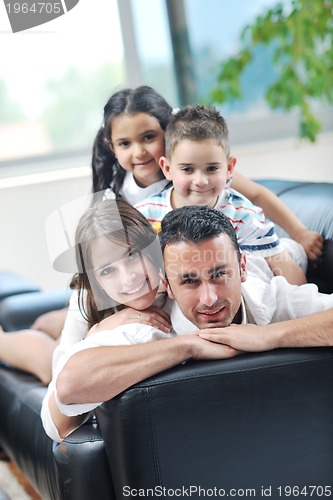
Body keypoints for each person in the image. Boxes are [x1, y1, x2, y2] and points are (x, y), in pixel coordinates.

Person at [42, 204, 333, 443]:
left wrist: (268, 336)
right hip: (93, 323)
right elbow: (66, 390)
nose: (209, 299)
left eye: (219, 275)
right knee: (44, 357)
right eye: (190, 281)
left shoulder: (265, 292)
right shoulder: (145, 324)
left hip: (280, 253)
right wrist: (188, 345)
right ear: (168, 284)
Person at [135, 104, 315, 284]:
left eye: (212, 168)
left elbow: (288, 272)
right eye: (188, 169)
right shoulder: (145, 215)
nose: (200, 180)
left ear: (229, 168)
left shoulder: (243, 214)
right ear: (167, 168)